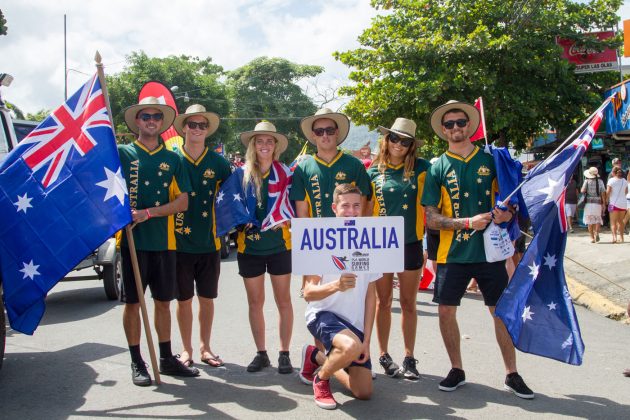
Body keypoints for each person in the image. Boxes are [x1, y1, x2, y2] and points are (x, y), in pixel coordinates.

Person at [421, 100, 534, 399]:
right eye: (450, 124)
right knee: (446, 312)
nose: (456, 128)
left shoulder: (491, 160)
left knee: (500, 312)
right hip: (452, 254)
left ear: (470, 126)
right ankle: (456, 368)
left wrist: (505, 214)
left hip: (490, 253)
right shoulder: (437, 168)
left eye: (461, 122)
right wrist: (467, 221)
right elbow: (431, 218)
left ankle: (512, 373)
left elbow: (509, 203)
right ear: (443, 131)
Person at [117, 97, 197, 386]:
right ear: (137, 121)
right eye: (145, 116)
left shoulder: (174, 159)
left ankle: (165, 358)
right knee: (133, 303)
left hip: (165, 243)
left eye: (156, 116)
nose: (151, 120)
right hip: (131, 243)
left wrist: (148, 213)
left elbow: (183, 202)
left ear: (162, 123)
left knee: (163, 302)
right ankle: (137, 360)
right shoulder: (122, 154)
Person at [299, 184, 381, 409]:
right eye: (345, 206)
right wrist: (336, 285)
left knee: (363, 392)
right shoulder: (320, 240)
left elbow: (370, 297)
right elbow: (308, 293)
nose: (352, 211)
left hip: (354, 326)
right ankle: (321, 379)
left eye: (356, 206)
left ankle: (316, 357)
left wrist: (366, 341)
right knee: (349, 346)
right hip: (322, 314)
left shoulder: (370, 241)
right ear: (335, 208)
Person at [366, 118, 430, 380]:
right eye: (394, 138)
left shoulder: (424, 169)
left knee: (408, 303)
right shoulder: (372, 171)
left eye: (405, 141)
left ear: (412, 145)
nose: (399, 144)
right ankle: (383, 355)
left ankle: (409, 357)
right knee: (383, 303)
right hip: (381, 245)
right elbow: (364, 209)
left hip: (411, 244)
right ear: (386, 139)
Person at [230, 121, 294, 374]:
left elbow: (294, 206)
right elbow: (230, 207)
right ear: (252, 145)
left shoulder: (287, 173)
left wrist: (286, 218)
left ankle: (284, 353)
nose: (264, 145)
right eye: (260, 141)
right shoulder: (240, 174)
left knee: (283, 302)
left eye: (269, 141)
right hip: (250, 249)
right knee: (255, 303)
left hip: (280, 245)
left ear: (275, 145)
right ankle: (261, 353)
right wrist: (240, 224)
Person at [172, 104, 231, 368]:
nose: (197, 129)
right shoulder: (172, 159)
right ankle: (186, 349)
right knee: (183, 301)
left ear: (208, 130)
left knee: (207, 300)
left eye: (202, 125)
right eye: (192, 124)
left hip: (209, 243)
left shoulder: (219, 163)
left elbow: (233, 201)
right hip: (178, 244)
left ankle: (206, 347)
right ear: (184, 127)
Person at [290, 107, 371, 294]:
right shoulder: (303, 168)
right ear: (314, 135)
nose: (325, 135)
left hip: (349, 241)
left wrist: (358, 240)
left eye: (329, 130)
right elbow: (302, 213)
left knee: (351, 294)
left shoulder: (354, 165)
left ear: (337, 133)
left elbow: (364, 206)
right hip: (317, 242)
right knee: (317, 295)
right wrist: (308, 250)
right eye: (320, 131)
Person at [581, 167, 606, 243]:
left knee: (589, 221)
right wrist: (604, 203)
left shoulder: (587, 181)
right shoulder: (600, 181)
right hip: (598, 203)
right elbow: (603, 193)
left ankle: (592, 238)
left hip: (588, 203)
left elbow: (582, 191)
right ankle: (597, 233)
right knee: (597, 219)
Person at [606, 166, 628, 243]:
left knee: (613, 221)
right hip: (623, 203)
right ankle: (622, 238)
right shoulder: (624, 181)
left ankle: (614, 237)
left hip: (613, 203)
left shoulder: (611, 180)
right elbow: (626, 192)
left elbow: (608, 192)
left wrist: (606, 200)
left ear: (613, 173)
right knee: (620, 221)